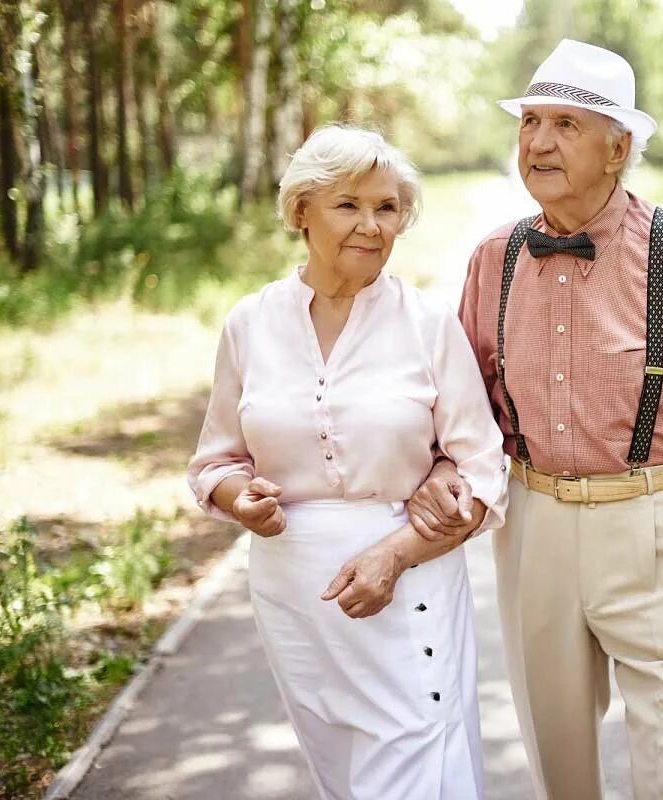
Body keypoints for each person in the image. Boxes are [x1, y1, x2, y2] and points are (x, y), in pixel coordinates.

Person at [409, 39, 663, 799]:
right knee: (562, 774)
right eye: (530, 122)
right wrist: (440, 470)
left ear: (618, 148)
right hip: (535, 532)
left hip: (659, 533)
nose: (538, 142)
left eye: (565, 124)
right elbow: (463, 412)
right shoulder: (493, 257)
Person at [187, 124, 508, 800]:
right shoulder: (250, 323)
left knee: (412, 768)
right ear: (301, 210)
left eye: (387, 208)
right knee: (343, 778)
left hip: (408, 581)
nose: (372, 225)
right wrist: (237, 498)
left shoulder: (427, 325)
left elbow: (483, 471)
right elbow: (215, 459)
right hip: (293, 596)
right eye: (349, 205)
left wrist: (396, 553)